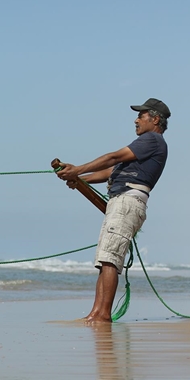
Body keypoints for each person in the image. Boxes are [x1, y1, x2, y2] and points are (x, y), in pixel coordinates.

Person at [55, 98, 170, 323]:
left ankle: (103, 316)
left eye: (141, 115)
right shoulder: (144, 147)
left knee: (110, 259)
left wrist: (76, 170)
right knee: (105, 260)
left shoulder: (152, 140)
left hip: (127, 201)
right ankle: (95, 314)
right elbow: (110, 171)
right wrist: (78, 178)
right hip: (121, 202)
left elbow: (113, 157)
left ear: (155, 119)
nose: (136, 120)